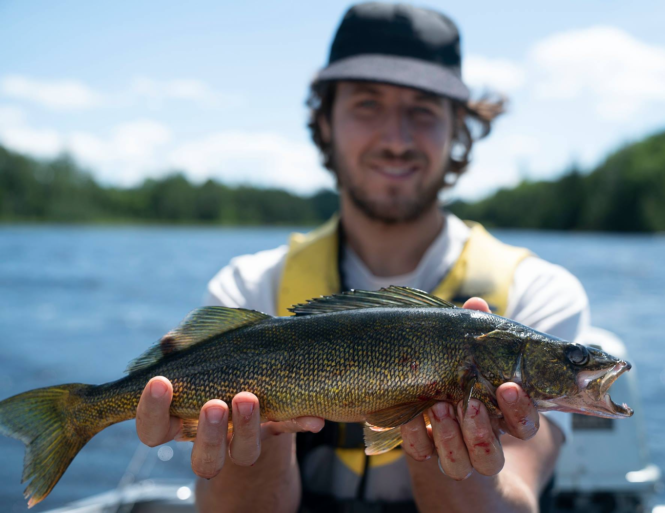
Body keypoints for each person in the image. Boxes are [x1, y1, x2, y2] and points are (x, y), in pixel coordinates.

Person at [134, 3, 590, 512]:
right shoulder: (247, 287)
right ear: (325, 122)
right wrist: (256, 429)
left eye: (422, 109)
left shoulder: (538, 295)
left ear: (457, 128)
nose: (395, 139)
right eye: (367, 105)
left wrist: (438, 419)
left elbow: (516, 502)